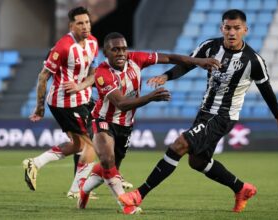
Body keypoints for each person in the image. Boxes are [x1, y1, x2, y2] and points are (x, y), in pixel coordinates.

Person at [118, 9, 278, 213]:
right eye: (228, 28)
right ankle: (241, 188)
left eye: (236, 28)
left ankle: (139, 194)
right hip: (205, 112)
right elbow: (187, 64)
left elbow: (266, 90)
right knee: (197, 161)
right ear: (222, 28)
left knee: (179, 145)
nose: (232, 33)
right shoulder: (210, 46)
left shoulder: (253, 61)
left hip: (223, 116)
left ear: (245, 29)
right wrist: (166, 76)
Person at [76, 32, 221, 214]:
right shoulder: (102, 74)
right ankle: (126, 205)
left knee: (110, 167)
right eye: (115, 50)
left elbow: (169, 57)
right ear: (105, 53)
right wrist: (151, 97)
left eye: (123, 48)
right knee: (107, 159)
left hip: (125, 125)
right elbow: (121, 103)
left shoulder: (136, 58)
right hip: (102, 120)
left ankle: (84, 190)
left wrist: (199, 61)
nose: (121, 53)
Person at [22, 6, 98, 195]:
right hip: (64, 102)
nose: (85, 26)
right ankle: (77, 189)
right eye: (80, 23)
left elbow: (93, 72)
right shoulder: (63, 46)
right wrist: (39, 107)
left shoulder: (93, 42)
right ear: (71, 25)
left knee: (79, 145)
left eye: (87, 22)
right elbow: (42, 77)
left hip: (84, 98)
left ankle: (35, 163)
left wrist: (83, 86)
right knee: (92, 146)